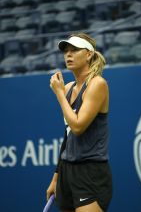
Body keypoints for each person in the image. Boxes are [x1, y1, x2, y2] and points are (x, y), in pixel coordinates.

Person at [46, 32, 113, 212]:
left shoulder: (97, 84)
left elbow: (77, 127)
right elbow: (68, 137)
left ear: (89, 54)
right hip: (67, 172)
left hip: (91, 172)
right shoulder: (68, 88)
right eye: (66, 51)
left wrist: (59, 94)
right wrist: (56, 177)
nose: (68, 54)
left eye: (74, 50)